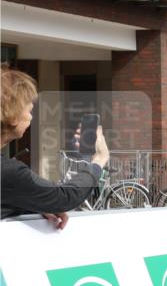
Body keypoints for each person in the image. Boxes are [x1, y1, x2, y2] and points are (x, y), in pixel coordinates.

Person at [1, 67, 109, 227]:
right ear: (13, 116)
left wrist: (34, 204)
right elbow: (64, 197)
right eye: (29, 110)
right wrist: (99, 159)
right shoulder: (9, 172)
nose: (31, 117)